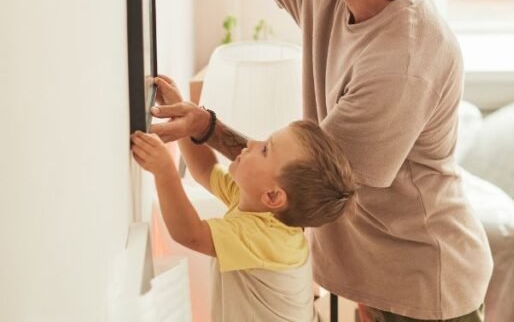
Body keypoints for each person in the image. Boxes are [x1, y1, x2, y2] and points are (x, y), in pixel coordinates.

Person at [136, 0, 492, 322]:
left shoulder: (402, 62)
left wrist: (207, 128)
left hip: (421, 284)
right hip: (365, 273)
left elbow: (304, 184)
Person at [131, 76, 357, 322]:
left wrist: (165, 173)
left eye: (265, 149)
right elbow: (204, 170)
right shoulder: (256, 203)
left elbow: (190, 234)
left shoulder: (265, 237)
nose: (251, 142)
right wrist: (184, 122)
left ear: (273, 195)